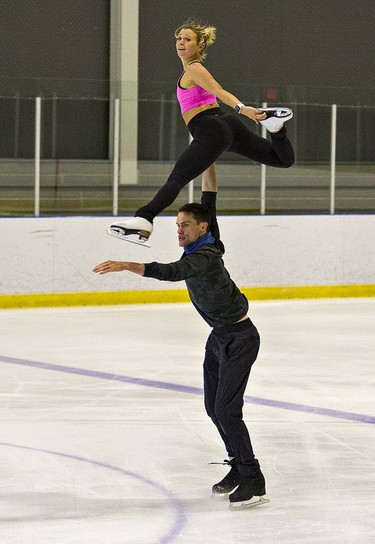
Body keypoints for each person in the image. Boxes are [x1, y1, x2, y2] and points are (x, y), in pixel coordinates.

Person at [94, 174, 269, 511]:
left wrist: (128, 265)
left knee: (226, 411)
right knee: (212, 408)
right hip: (219, 338)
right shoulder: (208, 238)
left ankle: (253, 476)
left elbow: (173, 272)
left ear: (201, 228)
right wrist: (207, 155)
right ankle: (237, 463)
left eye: (185, 225)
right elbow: (209, 195)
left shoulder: (204, 257)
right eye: (177, 225)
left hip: (240, 338)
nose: (179, 230)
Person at [108, 20, 295, 245]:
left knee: (177, 178)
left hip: (212, 127)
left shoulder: (194, 69)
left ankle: (144, 218)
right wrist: (209, 202)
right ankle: (276, 129)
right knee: (282, 159)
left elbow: (218, 90)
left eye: (188, 39)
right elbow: (208, 169)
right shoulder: (191, 71)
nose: (181, 42)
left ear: (200, 47)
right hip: (225, 129)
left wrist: (244, 109)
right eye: (179, 38)